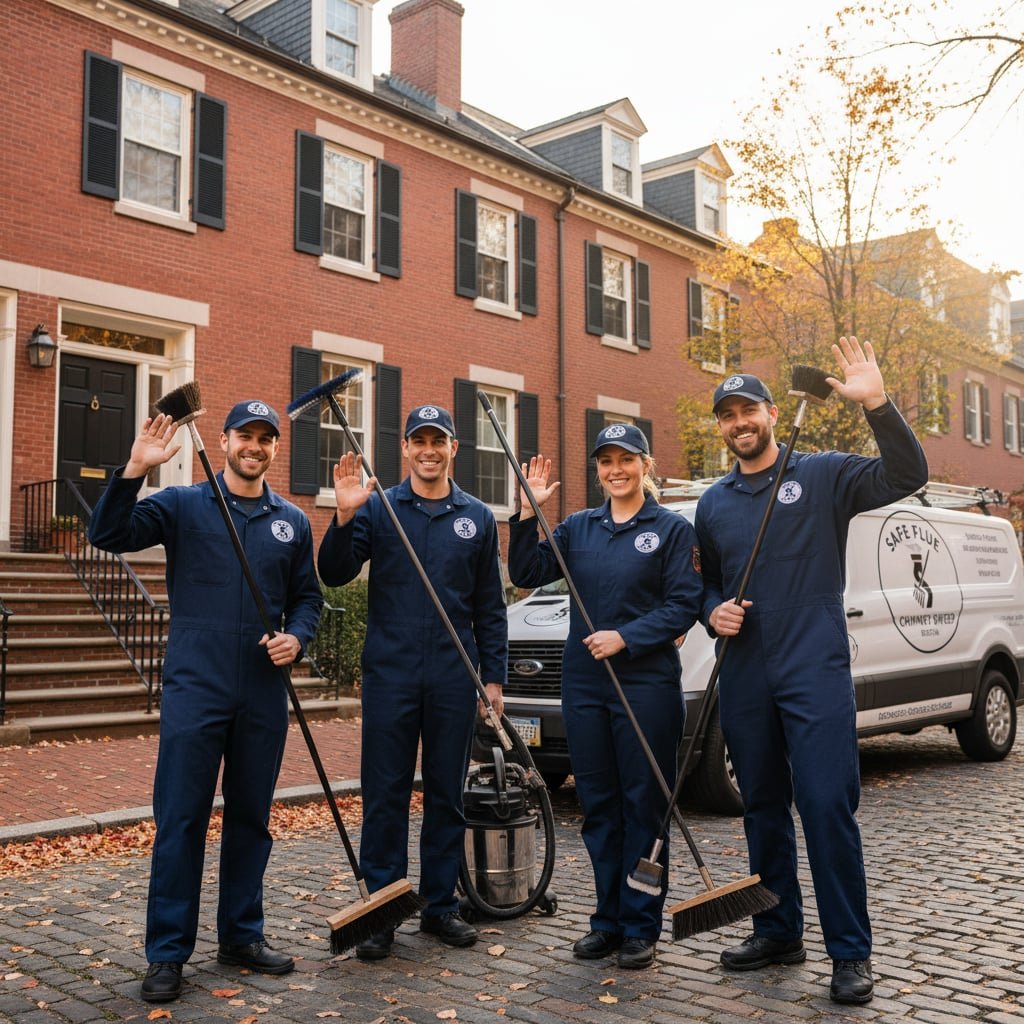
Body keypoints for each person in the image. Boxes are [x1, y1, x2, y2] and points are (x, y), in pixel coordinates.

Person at [694, 337, 928, 1005]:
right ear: (721, 427)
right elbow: (704, 588)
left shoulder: (823, 474)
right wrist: (714, 613)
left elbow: (906, 476)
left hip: (813, 667)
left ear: (771, 412)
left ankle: (849, 952)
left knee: (826, 807)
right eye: (727, 415)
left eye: (749, 410)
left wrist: (879, 405)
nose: (740, 423)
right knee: (762, 808)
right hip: (745, 673)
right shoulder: (713, 504)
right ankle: (776, 929)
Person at [88, 400, 323, 1004]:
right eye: (245, 434)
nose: (255, 445)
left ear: (274, 447)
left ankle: (242, 935)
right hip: (197, 687)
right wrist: (136, 469)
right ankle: (168, 952)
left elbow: (308, 600)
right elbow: (108, 534)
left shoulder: (291, 521)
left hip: (262, 693)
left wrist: (297, 638)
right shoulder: (184, 505)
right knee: (182, 820)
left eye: (266, 438)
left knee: (251, 819)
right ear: (223, 441)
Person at [507, 423, 703, 970]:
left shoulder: (669, 530)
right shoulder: (577, 528)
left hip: (645, 683)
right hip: (585, 685)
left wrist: (627, 637)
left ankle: (641, 924)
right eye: (605, 461)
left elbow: (684, 604)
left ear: (646, 464)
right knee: (599, 808)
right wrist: (525, 512)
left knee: (644, 806)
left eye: (626, 459)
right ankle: (607, 920)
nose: (615, 470)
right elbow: (525, 571)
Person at [317, 404, 507, 960]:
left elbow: (489, 607)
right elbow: (333, 572)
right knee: (385, 794)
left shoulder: (476, 517)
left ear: (453, 449)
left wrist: (491, 678)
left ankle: (440, 904)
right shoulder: (380, 510)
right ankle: (383, 908)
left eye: (438, 440)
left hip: (454, 675)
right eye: (418, 441)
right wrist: (345, 516)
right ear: (405, 449)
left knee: (447, 792)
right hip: (391, 675)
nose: (428, 450)